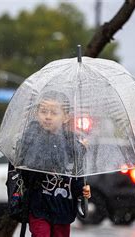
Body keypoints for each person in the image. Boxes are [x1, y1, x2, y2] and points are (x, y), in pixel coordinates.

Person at [15, 91, 92, 237]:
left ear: (66, 117)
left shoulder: (72, 143)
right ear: (37, 113)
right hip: (39, 205)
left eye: (54, 112)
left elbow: (75, 174)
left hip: (62, 206)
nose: (48, 116)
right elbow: (28, 169)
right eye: (43, 111)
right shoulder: (32, 136)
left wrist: (82, 190)